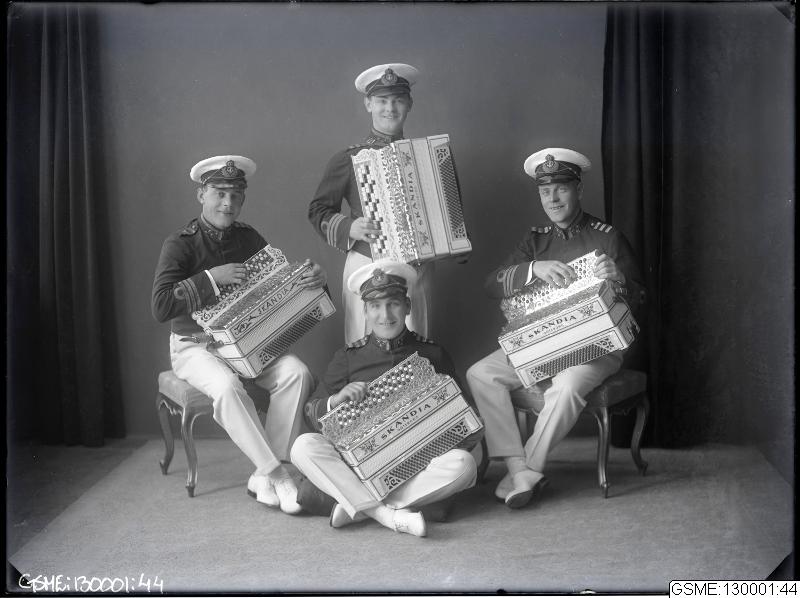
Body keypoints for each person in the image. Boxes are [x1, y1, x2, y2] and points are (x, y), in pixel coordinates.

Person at [466, 148, 645, 509]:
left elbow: (642, 297)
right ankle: (518, 468)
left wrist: (620, 278)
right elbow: (491, 284)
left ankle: (529, 469)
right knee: (481, 374)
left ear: (578, 189)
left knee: (567, 386)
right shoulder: (535, 240)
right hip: (542, 343)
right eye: (545, 191)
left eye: (561, 188)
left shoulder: (607, 237)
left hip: (597, 347)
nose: (553, 199)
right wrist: (534, 268)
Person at [152, 155, 328, 515]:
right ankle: (279, 475)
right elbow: (161, 306)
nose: (227, 203)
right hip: (194, 347)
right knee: (227, 387)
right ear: (201, 195)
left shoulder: (249, 238)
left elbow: (280, 292)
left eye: (235, 195)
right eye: (219, 193)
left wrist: (315, 282)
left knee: (297, 373)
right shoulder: (180, 244)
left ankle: (262, 475)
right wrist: (211, 278)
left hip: (246, 345)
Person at [290, 260, 478, 537]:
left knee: (464, 465)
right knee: (303, 446)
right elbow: (310, 412)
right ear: (365, 312)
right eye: (375, 306)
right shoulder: (347, 357)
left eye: (393, 304)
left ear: (407, 307)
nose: (385, 315)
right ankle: (388, 515)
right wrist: (336, 401)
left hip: (416, 465)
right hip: (356, 465)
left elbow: (467, 418)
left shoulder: (433, 354)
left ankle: (357, 505)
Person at [308, 63, 433, 344]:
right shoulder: (348, 158)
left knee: (416, 344)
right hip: (367, 262)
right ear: (368, 104)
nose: (390, 108)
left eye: (398, 100)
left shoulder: (426, 157)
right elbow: (318, 210)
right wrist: (348, 227)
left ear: (409, 104)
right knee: (363, 343)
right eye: (382, 101)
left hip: (416, 267)